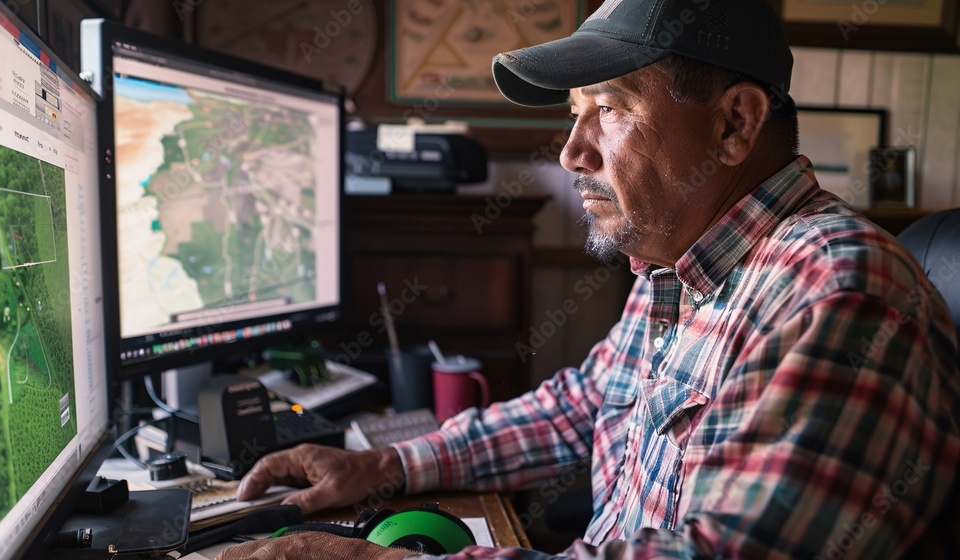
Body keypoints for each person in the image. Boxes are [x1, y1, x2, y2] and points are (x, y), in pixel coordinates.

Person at [218, 1, 960, 558]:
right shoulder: (680, 262)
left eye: (609, 108)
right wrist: (383, 465)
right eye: (575, 113)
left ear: (735, 124)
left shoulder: (839, 294)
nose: (572, 152)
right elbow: (580, 406)